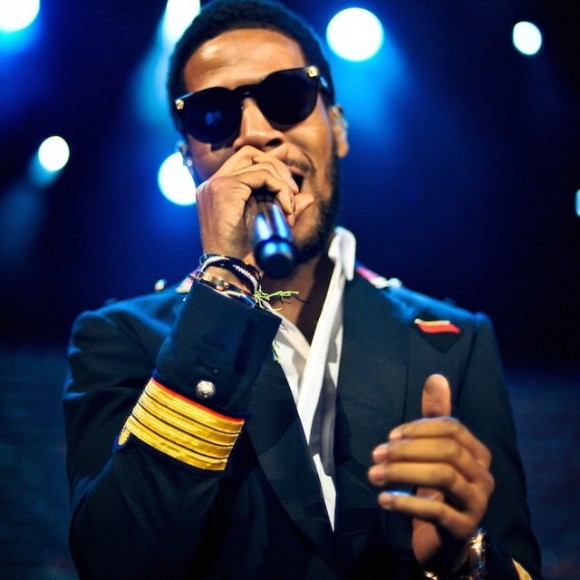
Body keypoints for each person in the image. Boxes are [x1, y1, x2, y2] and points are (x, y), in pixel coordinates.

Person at [63, 0, 543, 578]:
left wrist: (462, 558)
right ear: (188, 161)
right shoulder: (118, 339)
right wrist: (224, 281)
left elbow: (518, 560)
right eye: (213, 115)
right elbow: (113, 562)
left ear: (337, 128)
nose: (255, 134)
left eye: (287, 97)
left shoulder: (456, 341)